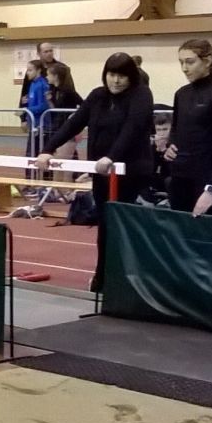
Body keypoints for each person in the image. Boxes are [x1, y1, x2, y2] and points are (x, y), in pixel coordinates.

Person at [36, 52, 154, 291]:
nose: (116, 81)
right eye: (112, 75)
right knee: (105, 225)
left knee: (123, 226)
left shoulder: (141, 95)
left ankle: (127, 278)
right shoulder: (98, 96)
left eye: (122, 76)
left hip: (131, 172)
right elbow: (74, 123)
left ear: (131, 77)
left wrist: (112, 156)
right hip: (101, 174)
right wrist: (48, 149)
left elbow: (132, 128)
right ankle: (103, 276)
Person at [166, 39, 212, 218]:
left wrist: (211, 189)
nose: (184, 68)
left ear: (207, 61)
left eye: (190, 62)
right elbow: (176, 128)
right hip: (180, 177)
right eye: (181, 62)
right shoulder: (181, 94)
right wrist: (170, 145)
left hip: (206, 181)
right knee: (179, 231)